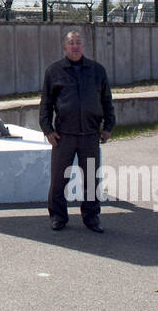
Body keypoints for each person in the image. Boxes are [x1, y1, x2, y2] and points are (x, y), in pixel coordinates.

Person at [40, 30, 115, 232]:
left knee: (91, 179)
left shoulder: (97, 70)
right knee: (58, 179)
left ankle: (91, 218)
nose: (75, 46)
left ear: (84, 47)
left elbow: (107, 101)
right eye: (71, 43)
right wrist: (48, 130)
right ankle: (58, 217)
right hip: (63, 136)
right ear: (65, 47)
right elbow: (45, 105)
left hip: (90, 136)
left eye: (78, 43)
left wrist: (108, 127)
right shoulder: (54, 71)